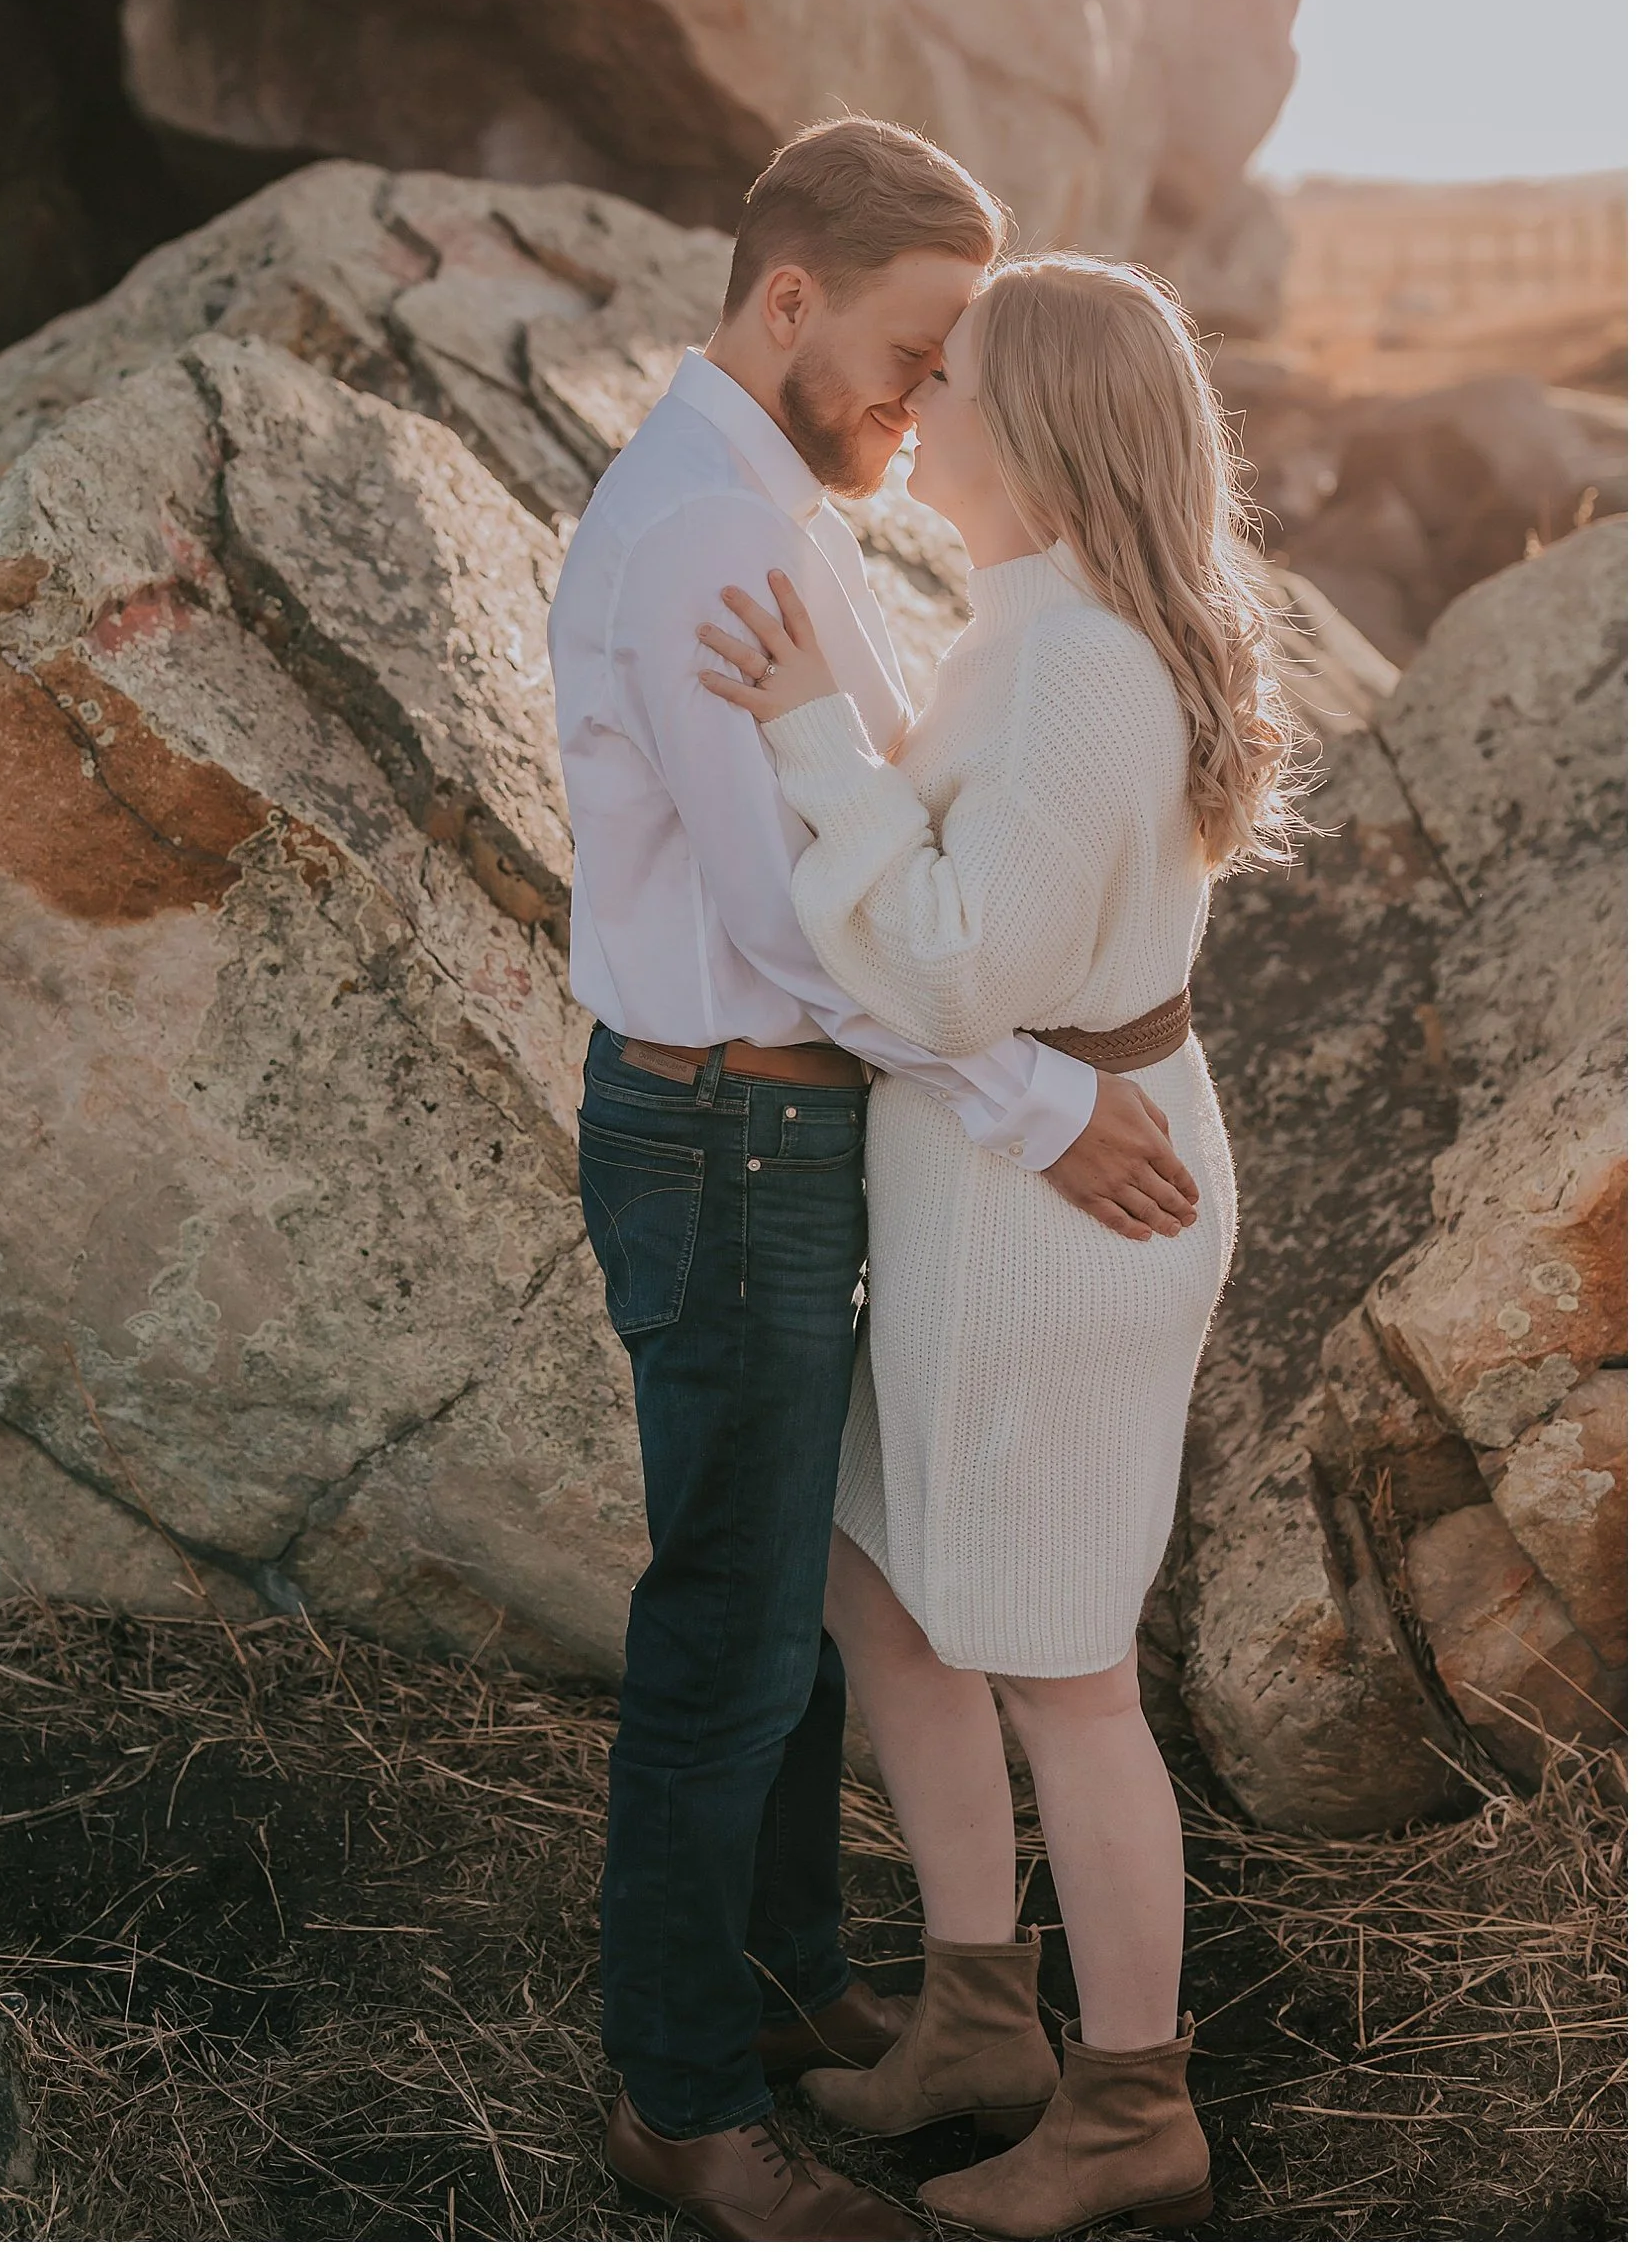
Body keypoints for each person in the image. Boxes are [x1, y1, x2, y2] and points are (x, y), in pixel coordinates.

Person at [547, 119, 1204, 2241]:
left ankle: (839, 1996)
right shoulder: (700, 538)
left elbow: (919, 873)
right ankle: (691, 2095)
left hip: (805, 1128)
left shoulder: (789, 520)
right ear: (790, 297)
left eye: (962, 375)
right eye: (911, 353)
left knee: (815, 1614)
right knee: (741, 1634)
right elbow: (793, 917)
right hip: (735, 1119)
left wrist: (1027, 1082)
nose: (919, 405)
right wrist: (1031, 1102)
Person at [697, 250, 1296, 2238]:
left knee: (1063, 1673)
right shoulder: (1033, 631)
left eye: (948, 382)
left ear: (1038, 425)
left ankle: (1130, 2104)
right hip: (999, 1198)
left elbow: (958, 966)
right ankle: (978, 2011)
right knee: (883, 1587)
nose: (913, 410)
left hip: (1058, 1217)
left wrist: (805, 741)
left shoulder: (1073, 668)